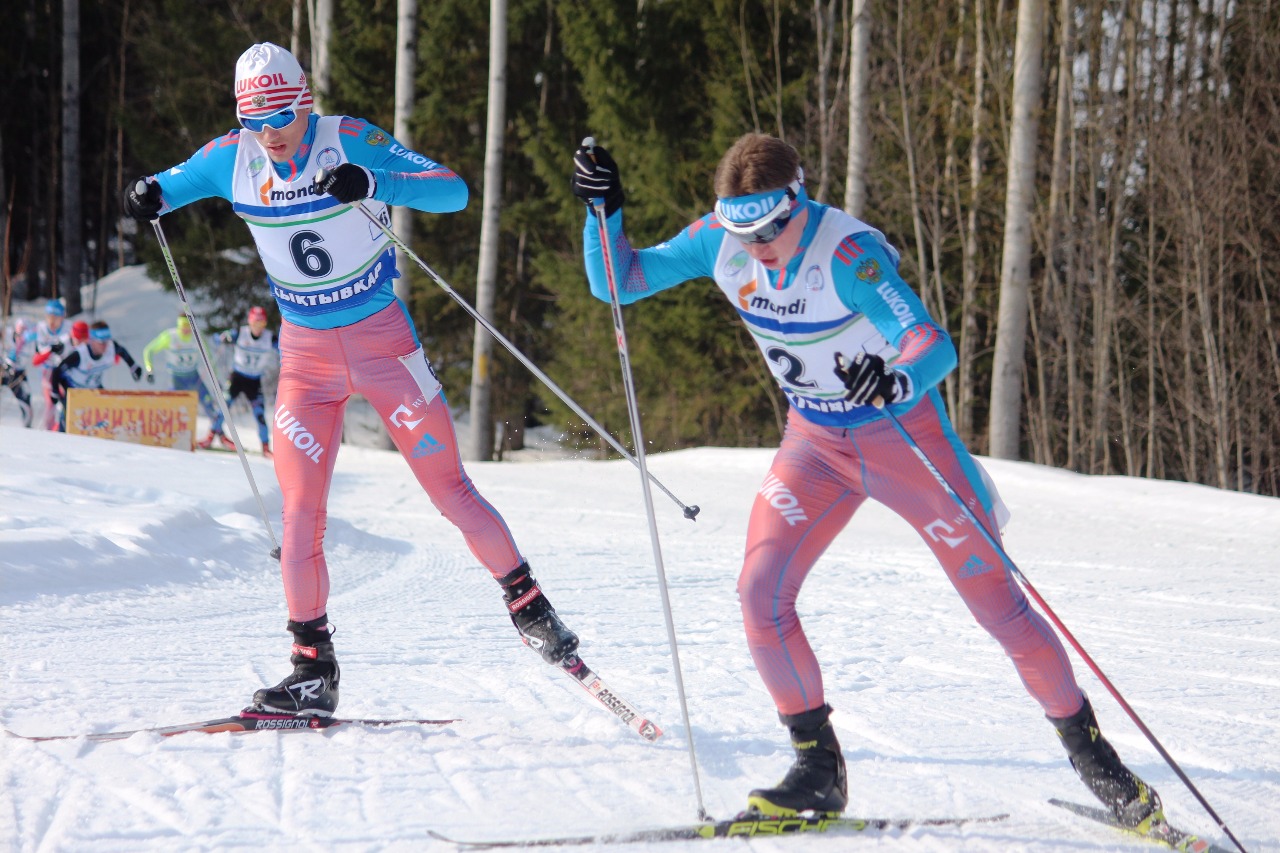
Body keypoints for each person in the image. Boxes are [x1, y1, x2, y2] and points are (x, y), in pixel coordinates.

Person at [571, 133, 1163, 829]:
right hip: (815, 444)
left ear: (800, 200)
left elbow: (930, 342)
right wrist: (602, 213)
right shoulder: (720, 241)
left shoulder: (849, 257)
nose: (758, 244)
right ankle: (817, 769)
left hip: (903, 441)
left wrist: (897, 375)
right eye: (742, 229)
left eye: (771, 227)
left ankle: (1094, 756)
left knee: (999, 607)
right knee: (760, 593)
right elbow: (621, 281)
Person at [120, 42, 579, 717]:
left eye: (279, 115)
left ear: (304, 101)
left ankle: (531, 606)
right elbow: (166, 186)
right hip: (305, 359)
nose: (270, 134)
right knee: (300, 513)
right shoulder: (233, 157)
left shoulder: (350, 139)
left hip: (384, 344)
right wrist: (146, 194)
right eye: (255, 120)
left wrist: (374, 182)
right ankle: (312, 667)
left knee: (449, 487)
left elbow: (452, 190)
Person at [203, 305, 279, 456]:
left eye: (261, 323)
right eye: (255, 322)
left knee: (259, 414)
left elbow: (284, 349)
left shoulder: (269, 337)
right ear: (250, 322)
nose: (258, 327)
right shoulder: (240, 333)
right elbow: (217, 338)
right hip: (238, 377)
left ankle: (265, 447)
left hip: (254, 380)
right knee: (224, 407)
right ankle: (210, 437)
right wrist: (224, 338)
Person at [51, 320, 145, 431]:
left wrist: (133, 367)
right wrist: (56, 393)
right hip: (75, 390)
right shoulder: (80, 355)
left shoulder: (110, 347)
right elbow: (57, 372)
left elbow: (122, 352)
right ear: (92, 341)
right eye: (101, 342)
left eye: (106, 341)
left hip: (94, 388)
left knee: (106, 417)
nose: (104, 346)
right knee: (69, 422)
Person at [143, 315, 218, 422]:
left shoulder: (197, 337)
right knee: (172, 408)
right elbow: (148, 350)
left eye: (188, 326)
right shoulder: (170, 336)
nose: (186, 329)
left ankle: (217, 431)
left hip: (193, 377)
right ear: (179, 325)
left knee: (208, 402)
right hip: (176, 378)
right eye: (183, 326)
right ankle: (167, 428)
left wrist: (216, 378)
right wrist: (149, 369)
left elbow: (209, 357)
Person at [32, 299, 72, 429]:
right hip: (48, 371)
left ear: (63, 317)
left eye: (56, 317)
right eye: (49, 317)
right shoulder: (42, 328)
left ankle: (63, 428)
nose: (52, 321)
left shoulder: (68, 328)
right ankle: (48, 432)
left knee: (67, 401)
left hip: (65, 371)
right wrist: (51, 350)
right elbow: (38, 354)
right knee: (50, 403)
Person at [2, 317, 36, 427]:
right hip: (3, 371)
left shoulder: (30, 343)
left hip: (18, 374)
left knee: (26, 401)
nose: (20, 336)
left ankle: (27, 429)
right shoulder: (6, 335)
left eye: (24, 333)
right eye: (19, 332)